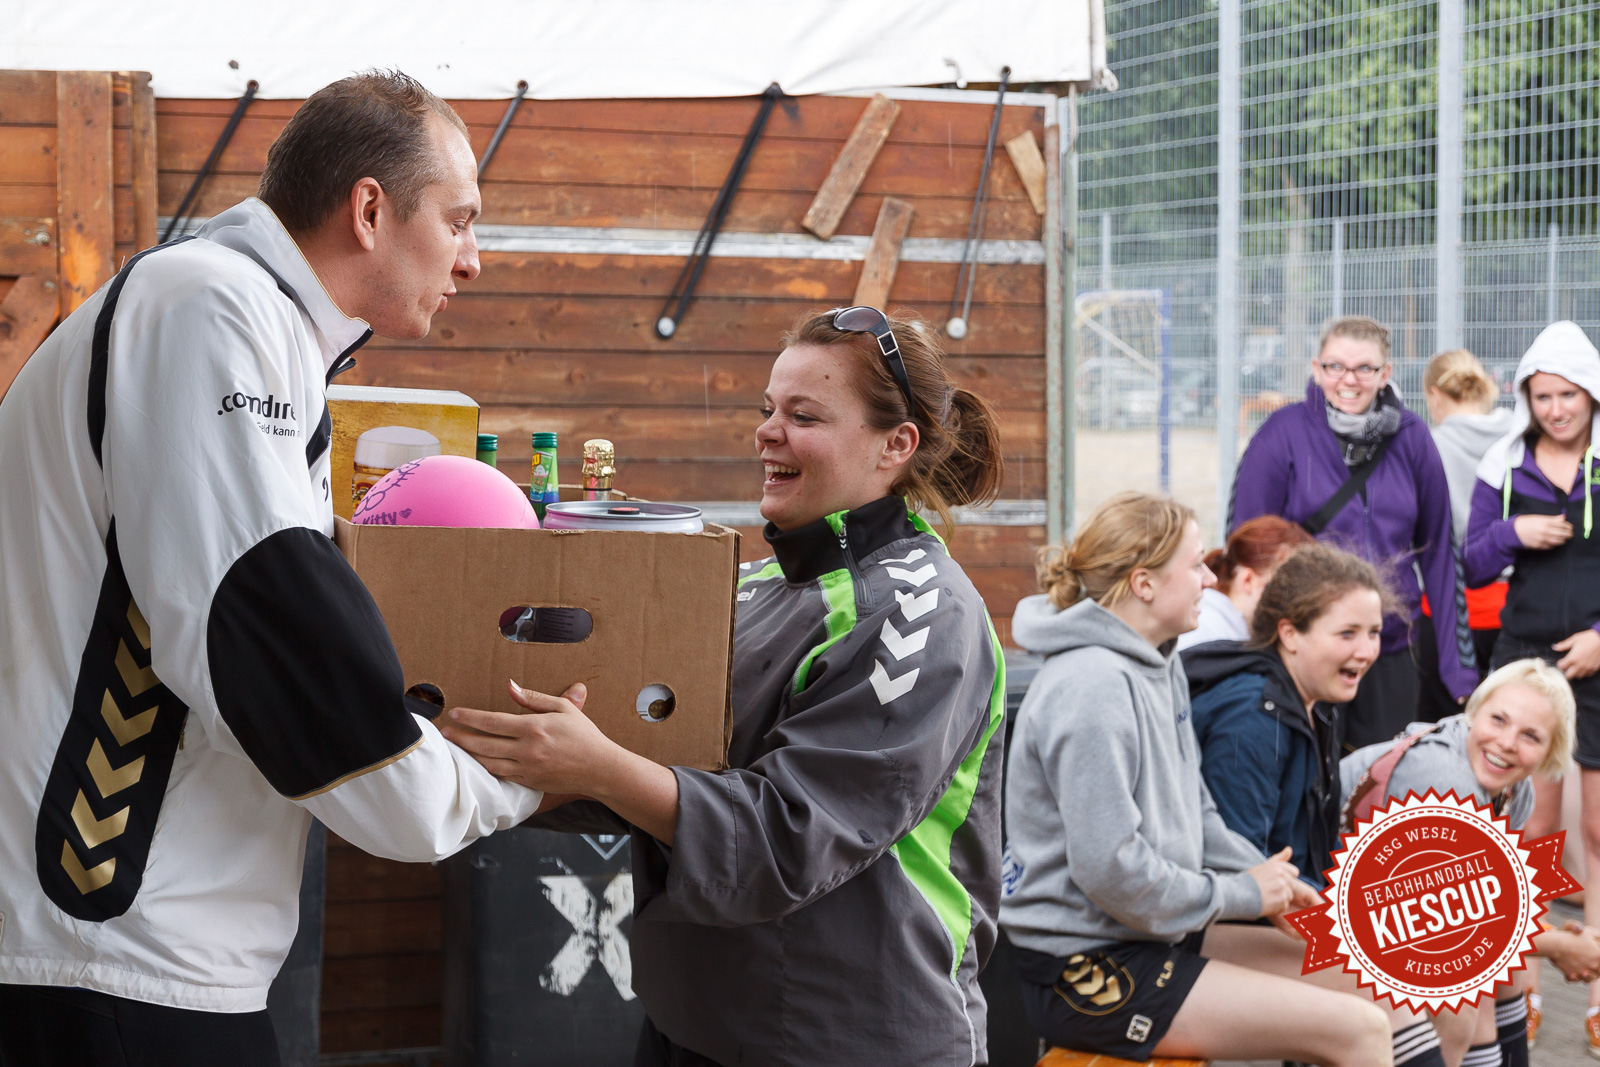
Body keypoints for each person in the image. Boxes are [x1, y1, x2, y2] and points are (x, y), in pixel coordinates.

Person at [0, 73, 547, 1066]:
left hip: (132, 943)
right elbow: (255, 613)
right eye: (460, 219)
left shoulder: (232, 316)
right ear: (370, 210)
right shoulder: (209, 307)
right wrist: (503, 779)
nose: (474, 258)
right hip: (114, 943)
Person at [443, 309, 1008, 1067]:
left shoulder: (922, 617)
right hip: (694, 1025)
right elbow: (653, 766)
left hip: (850, 1043)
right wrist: (481, 743)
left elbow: (787, 837)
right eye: (766, 410)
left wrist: (595, 764)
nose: (768, 432)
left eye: (803, 415)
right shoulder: (753, 584)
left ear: (894, 446)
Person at [999, 492, 1392, 1066]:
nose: (1211, 578)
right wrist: (1239, 894)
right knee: (1357, 1031)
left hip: (1152, 934)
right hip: (1085, 966)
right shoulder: (1091, 685)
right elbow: (1111, 870)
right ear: (1144, 583)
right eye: (1194, 564)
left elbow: (1197, 811)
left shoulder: (1159, 664)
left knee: (1380, 983)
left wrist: (1265, 882)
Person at [1233, 315, 1477, 749]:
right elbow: (1246, 550)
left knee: (1380, 786)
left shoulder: (1413, 438)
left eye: (1364, 368)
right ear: (1316, 368)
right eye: (1335, 367)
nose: (1349, 380)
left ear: (1385, 374)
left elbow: (1440, 553)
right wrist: (1253, 652)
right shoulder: (1281, 436)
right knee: (1306, 786)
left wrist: (1459, 670)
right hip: (1306, 649)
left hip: (1389, 647)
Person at [1341, 658, 1593, 1067]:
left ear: (1550, 753)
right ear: (1474, 712)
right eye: (1498, 720)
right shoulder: (1444, 772)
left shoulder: (1516, 788)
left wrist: (1554, 936)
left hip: (1389, 911)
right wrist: (1558, 946)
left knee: (1502, 975)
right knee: (1459, 998)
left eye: (1531, 736)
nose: (1507, 742)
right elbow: (1446, 918)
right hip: (1319, 911)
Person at [1462, 320, 1600, 1055]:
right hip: (1527, 660)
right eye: (1542, 396)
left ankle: (1597, 992)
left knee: (1599, 832)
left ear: (1591, 394)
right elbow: (1473, 562)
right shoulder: (1505, 462)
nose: (1556, 409)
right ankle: (1526, 987)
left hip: (1597, 658)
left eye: (1568, 395)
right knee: (1531, 830)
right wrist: (1517, 533)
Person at [1184, 543, 1389, 888]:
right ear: (1290, 634)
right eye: (1347, 634)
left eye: (1374, 632)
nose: (1367, 652)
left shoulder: (1316, 704)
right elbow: (1241, 867)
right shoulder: (1252, 717)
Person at [1425, 349, 1515, 674]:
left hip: (1448, 610)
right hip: (1515, 604)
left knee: (1445, 720)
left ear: (1434, 395)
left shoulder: (1428, 447)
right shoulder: (1522, 439)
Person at [1175, 515, 1312, 651]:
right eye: (1287, 585)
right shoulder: (1207, 633)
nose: (1296, 599)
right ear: (1248, 580)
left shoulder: (1229, 629)